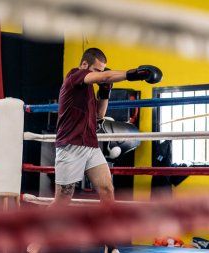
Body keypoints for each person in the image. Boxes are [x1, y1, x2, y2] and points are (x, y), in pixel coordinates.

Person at [27, 48, 162, 253]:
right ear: (84, 65)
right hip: (70, 146)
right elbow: (107, 75)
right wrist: (135, 74)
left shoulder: (89, 89)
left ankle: (109, 244)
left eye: (100, 71)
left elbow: (99, 114)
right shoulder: (74, 75)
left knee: (107, 190)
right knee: (62, 200)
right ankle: (36, 244)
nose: (99, 74)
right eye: (96, 70)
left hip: (90, 146)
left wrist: (105, 90)